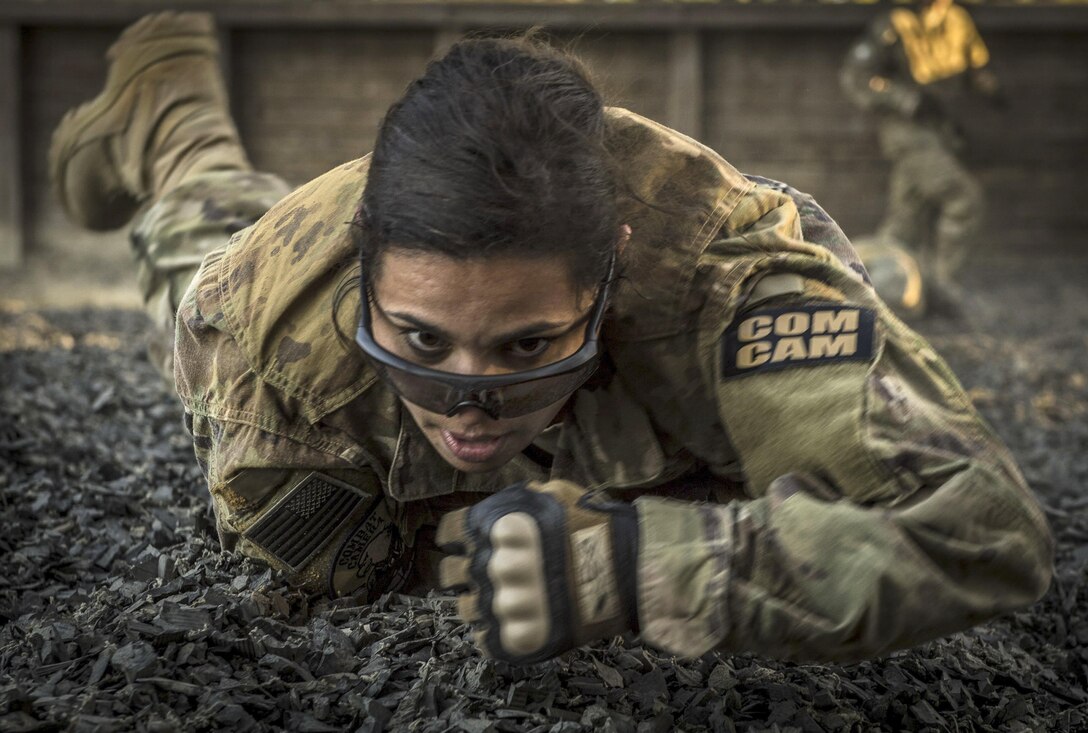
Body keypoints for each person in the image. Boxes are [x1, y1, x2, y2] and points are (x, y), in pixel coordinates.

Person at [50, 12, 1051, 666]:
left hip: (651, 342)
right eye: (424, 342)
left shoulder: (726, 290)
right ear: (367, 269)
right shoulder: (276, 358)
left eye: (524, 345)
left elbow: (979, 532)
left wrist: (640, 566)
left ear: (611, 267)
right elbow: (346, 565)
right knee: (200, 246)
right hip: (280, 283)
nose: (466, 402)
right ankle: (171, 112)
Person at [841, 0, 1004, 317]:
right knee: (963, 199)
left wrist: (988, 85)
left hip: (942, 132)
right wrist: (905, 99)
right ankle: (943, 287)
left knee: (904, 225)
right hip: (908, 133)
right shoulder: (895, 22)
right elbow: (856, 76)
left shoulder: (957, 19)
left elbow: (975, 65)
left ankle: (871, 294)